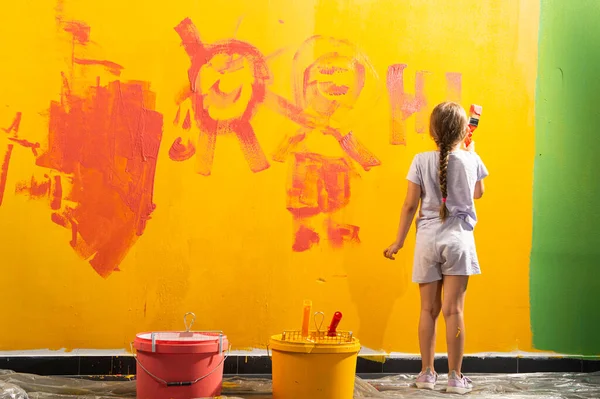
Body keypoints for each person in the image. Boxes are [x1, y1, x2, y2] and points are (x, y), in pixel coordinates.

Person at [384, 101, 488, 394]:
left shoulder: (420, 160)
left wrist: (398, 242)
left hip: (427, 242)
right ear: (462, 132)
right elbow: (478, 193)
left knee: (427, 310)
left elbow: (408, 206)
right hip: (458, 243)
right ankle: (455, 377)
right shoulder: (471, 159)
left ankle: (426, 374)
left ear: (432, 131)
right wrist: (472, 154)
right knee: (454, 312)